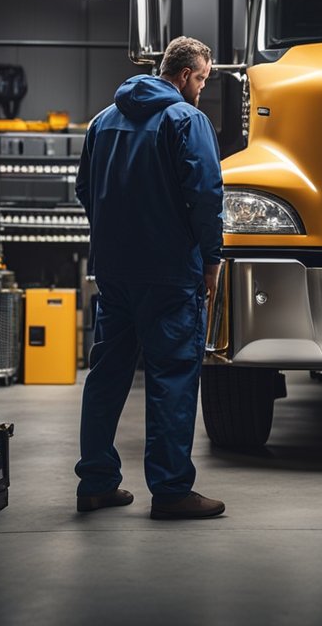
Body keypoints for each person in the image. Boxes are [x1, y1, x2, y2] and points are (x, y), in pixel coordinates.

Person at [74, 36, 226, 519]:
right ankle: (171, 490)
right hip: (170, 273)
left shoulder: (102, 121)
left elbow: (84, 188)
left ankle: (96, 483)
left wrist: (115, 238)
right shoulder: (186, 119)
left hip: (114, 271)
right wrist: (211, 259)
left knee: (107, 374)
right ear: (184, 75)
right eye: (201, 78)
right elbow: (205, 193)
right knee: (173, 378)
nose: (201, 87)